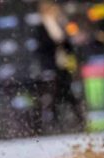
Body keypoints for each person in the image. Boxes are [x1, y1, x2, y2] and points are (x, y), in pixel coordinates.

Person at [35, 1, 84, 133]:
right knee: (53, 96)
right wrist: (57, 43)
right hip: (51, 67)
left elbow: (68, 44)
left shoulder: (62, 24)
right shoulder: (42, 27)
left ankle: (79, 122)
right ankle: (50, 125)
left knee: (69, 95)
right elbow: (43, 48)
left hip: (63, 65)